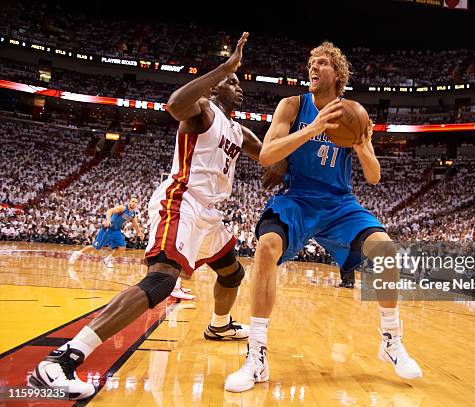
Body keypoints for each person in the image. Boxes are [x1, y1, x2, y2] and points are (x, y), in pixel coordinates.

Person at [29, 32, 285, 400]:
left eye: (238, 81)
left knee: (232, 273)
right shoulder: (201, 112)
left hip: (209, 215)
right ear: (215, 88)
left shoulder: (239, 130)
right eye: (232, 82)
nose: (239, 87)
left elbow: (268, 157)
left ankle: (219, 325)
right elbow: (173, 104)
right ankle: (63, 359)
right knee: (161, 282)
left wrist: (294, 152)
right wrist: (224, 67)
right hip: (181, 202)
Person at [225, 41, 422, 393]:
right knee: (267, 247)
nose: (314, 67)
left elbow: (374, 177)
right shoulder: (292, 106)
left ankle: (391, 340)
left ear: (338, 73)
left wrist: (362, 149)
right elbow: (267, 155)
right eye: (312, 62)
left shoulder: (353, 114)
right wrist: (312, 129)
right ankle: (256, 355)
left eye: (323, 62)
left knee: (386, 251)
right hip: (298, 198)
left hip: (338, 203)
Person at [68, 196, 145, 268]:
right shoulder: (123, 208)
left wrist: (140, 233)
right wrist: (108, 220)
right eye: (132, 201)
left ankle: (107, 260)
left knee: (122, 247)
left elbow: (134, 224)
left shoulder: (133, 213)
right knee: (96, 247)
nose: (134, 203)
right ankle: (77, 253)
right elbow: (110, 211)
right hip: (108, 228)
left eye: (135, 202)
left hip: (116, 231)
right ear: (129, 202)